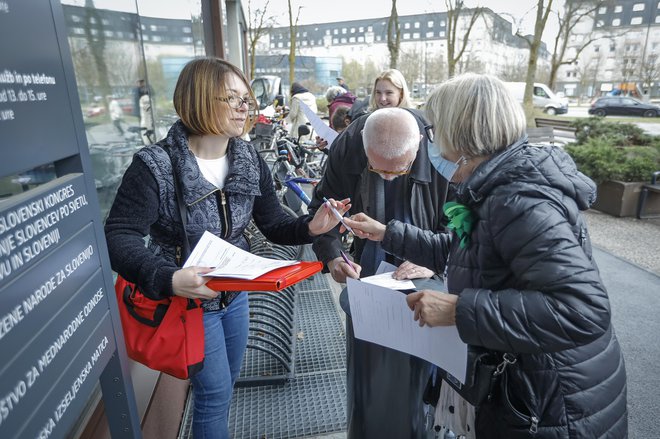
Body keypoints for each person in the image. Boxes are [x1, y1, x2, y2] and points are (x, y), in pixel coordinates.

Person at [343, 73, 628, 438]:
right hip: (536, 391)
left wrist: (458, 310)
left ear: (462, 133)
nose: (431, 140)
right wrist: (388, 233)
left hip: (554, 405)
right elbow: (466, 250)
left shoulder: (519, 199)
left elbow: (583, 309)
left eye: (435, 129)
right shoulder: (494, 186)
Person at [104, 57, 350, 439]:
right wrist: (168, 278)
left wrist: (310, 227)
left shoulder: (246, 156)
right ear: (200, 100)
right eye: (231, 98)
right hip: (187, 301)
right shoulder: (155, 165)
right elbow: (119, 235)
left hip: (235, 294)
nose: (245, 108)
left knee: (226, 384)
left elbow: (273, 223)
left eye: (246, 99)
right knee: (215, 392)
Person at [308, 107, 449, 438]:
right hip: (371, 269)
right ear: (363, 147)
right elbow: (325, 208)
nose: (387, 178)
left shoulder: (442, 148)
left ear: (417, 150)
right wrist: (332, 257)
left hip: (423, 270)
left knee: (419, 369)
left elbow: (460, 219)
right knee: (369, 366)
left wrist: (432, 257)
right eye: (377, 169)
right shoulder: (348, 146)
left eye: (398, 171)